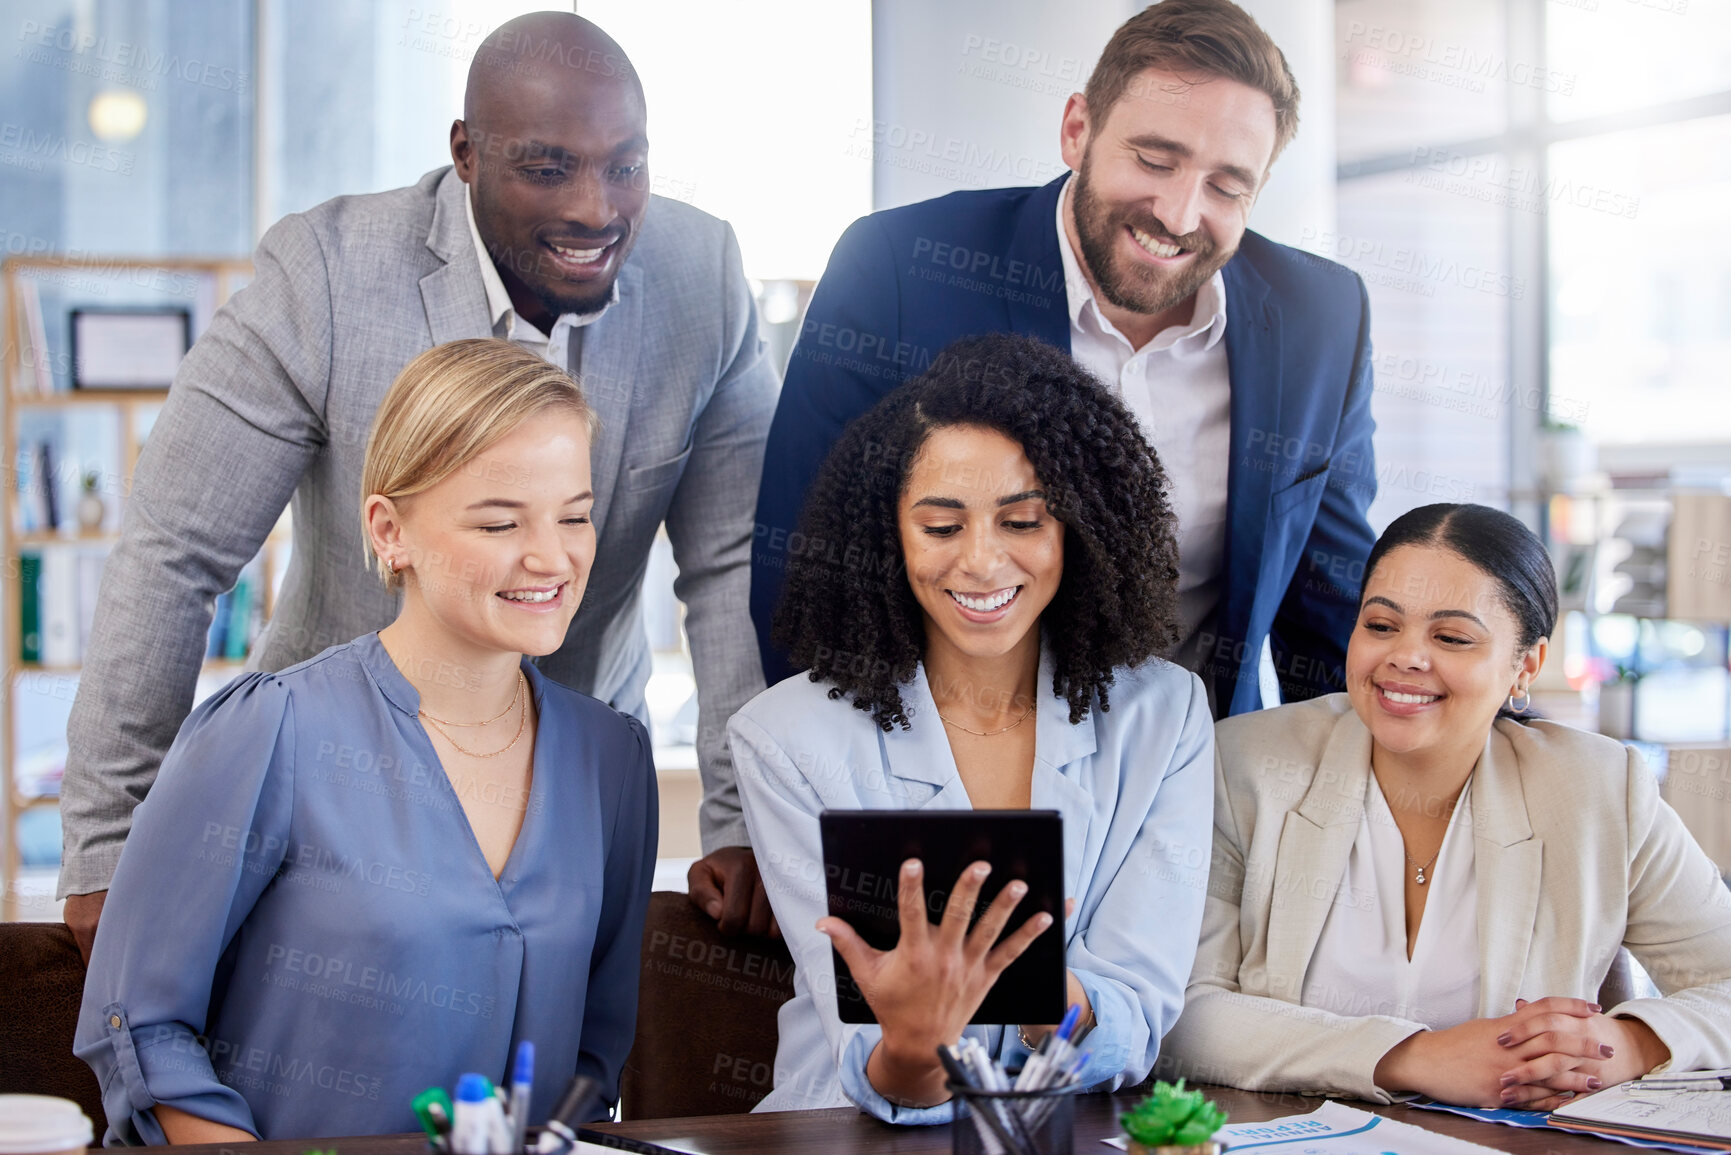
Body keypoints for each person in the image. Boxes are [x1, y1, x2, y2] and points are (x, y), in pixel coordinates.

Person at [59, 12, 777, 958]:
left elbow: (729, 565)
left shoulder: (705, 274)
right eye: (549, 167)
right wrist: (112, 840)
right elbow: (174, 552)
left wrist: (739, 816)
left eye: (626, 165)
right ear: (466, 154)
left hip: (567, 785)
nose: (599, 209)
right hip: (332, 779)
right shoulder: (325, 274)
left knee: (551, 1070)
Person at [74, 340, 657, 1143]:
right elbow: (141, 1021)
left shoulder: (612, 760)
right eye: (498, 521)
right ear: (389, 531)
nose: (551, 556)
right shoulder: (270, 729)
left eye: (575, 514)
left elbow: (594, 1054)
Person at [752, 0, 1376, 718]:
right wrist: (872, 797)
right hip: (936, 776)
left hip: (1198, 786)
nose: (1177, 214)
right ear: (1076, 130)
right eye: (1153, 159)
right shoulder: (899, 270)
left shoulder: (1321, 319)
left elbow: (1334, 616)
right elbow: (802, 570)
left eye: (1226, 186)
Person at [730, 334, 1214, 1122]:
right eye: (942, 527)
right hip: (844, 1135)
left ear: (1081, 527)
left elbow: (1137, 1012)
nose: (983, 563)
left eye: (1022, 520)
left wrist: (1028, 997)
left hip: (1065, 1130)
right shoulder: (785, 737)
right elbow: (875, 1062)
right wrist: (919, 1038)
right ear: (887, 534)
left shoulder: (1166, 716)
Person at [1161, 503, 1731, 1108]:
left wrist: (1623, 1044)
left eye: (1451, 637)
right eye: (1380, 626)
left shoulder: (1600, 789)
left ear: (1526, 666)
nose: (1405, 656)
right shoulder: (1245, 764)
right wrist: (1415, 1056)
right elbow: (1181, 1012)